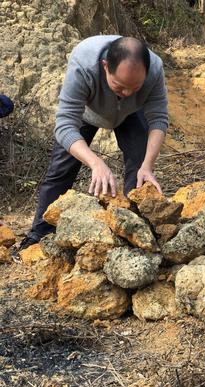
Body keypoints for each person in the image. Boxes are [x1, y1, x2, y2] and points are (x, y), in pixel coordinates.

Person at [19, 35, 168, 250]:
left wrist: (148, 165)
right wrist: (96, 163)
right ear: (105, 66)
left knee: (139, 170)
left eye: (134, 88)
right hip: (86, 113)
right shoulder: (84, 63)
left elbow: (159, 118)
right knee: (60, 171)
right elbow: (64, 125)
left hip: (131, 113)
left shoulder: (154, 69)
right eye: (119, 86)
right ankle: (40, 234)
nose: (126, 93)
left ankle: (133, 232)